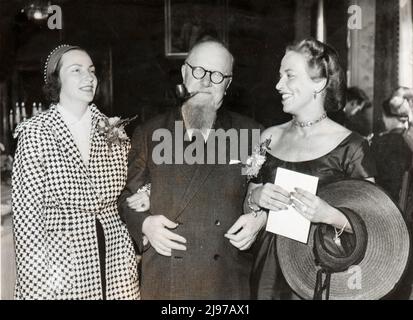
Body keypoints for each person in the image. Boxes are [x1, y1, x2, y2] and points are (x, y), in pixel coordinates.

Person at [118, 38, 264, 299]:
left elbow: (268, 196)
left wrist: (260, 220)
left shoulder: (252, 134)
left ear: (228, 85)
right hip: (167, 279)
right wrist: (145, 224)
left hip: (226, 283)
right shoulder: (150, 132)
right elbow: (127, 197)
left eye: (217, 75)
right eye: (198, 71)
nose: (206, 82)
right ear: (184, 74)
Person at [245, 38, 376, 299]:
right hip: (267, 274)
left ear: (319, 83)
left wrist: (328, 214)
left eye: (289, 76)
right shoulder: (266, 138)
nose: (278, 85)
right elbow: (247, 202)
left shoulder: (353, 147)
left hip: (322, 274)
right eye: (279, 76)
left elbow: (375, 223)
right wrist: (255, 198)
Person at [11, 45, 139, 299]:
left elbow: (134, 183)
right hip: (59, 260)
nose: (89, 77)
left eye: (91, 71)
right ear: (56, 81)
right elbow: (27, 219)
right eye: (76, 70)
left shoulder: (113, 130)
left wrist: (143, 192)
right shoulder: (36, 133)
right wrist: (37, 281)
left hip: (114, 254)